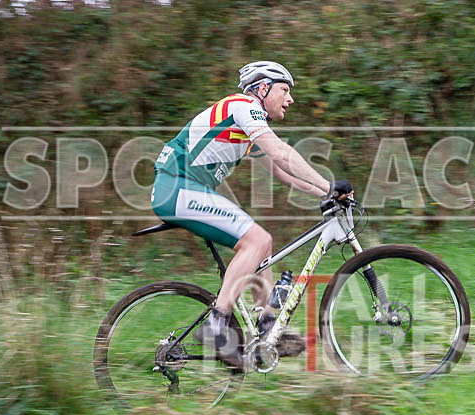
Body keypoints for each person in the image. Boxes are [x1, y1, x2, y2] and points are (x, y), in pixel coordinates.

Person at [151, 61, 353, 369]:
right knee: (257, 239)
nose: (290, 99)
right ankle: (217, 325)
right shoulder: (243, 107)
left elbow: (284, 173)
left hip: (185, 190)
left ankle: (268, 326)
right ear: (262, 89)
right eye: (284, 90)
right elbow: (282, 153)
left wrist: (325, 194)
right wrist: (329, 184)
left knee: (263, 246)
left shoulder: (245, 128)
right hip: (177, 188)